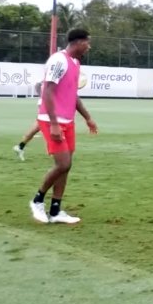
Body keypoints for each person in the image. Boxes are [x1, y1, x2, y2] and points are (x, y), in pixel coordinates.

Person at [28, 29, 98, 224]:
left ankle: (56, 210)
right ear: (78, 42)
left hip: (68, 121)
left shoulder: (75, 63)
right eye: (87, 43)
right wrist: (53, 124)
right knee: (63, 164)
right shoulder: (58, 60)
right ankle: (37, 200)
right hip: (53, 120)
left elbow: (73, 95)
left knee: (66, 167)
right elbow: (47, 90)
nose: (89, 46)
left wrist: (88, 118)